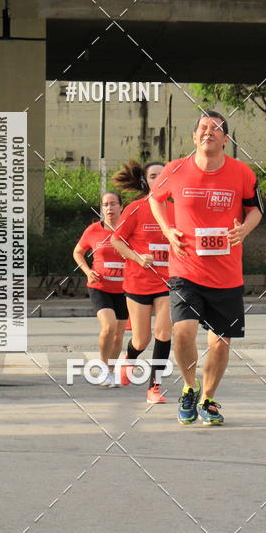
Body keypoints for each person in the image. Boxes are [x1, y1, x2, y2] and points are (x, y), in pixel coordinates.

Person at [149, 110, 263, 426]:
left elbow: (255, 210)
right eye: (202, 127)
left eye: (215, 128)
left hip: (226, 274)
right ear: (194, 136)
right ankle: (190, 387)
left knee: (220, 343)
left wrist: (244, 230)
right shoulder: (175, 169)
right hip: (185, 270)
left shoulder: (242, 173)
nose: (208, 131)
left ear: (225, 140)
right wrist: (168, 230)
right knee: (182, 331)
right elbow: (155, 199)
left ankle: (208, 399)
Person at [110, 160, 173, 404]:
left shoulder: (177, 209)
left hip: (168, 281)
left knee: (164, 332)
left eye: (163, 175)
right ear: (146, 181)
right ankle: (129, 358)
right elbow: (116, 241)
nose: (159, 178)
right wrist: (138, 257)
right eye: (154, 175)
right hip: (139, 281)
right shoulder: (135, 208)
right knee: (141, 339)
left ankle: (154, 387)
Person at [73, 191, 128, 387]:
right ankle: (103, 368)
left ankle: (110, 372)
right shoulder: (93, 230)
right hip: (100, 286)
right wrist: (88, 271)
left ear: (121, 207)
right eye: (105, 204)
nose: (109, 208)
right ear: (101, 208)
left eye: (113, 204)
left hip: (125, 289)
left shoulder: (129, 229)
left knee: (119, 335)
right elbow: (77, 252)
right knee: (109, 326)